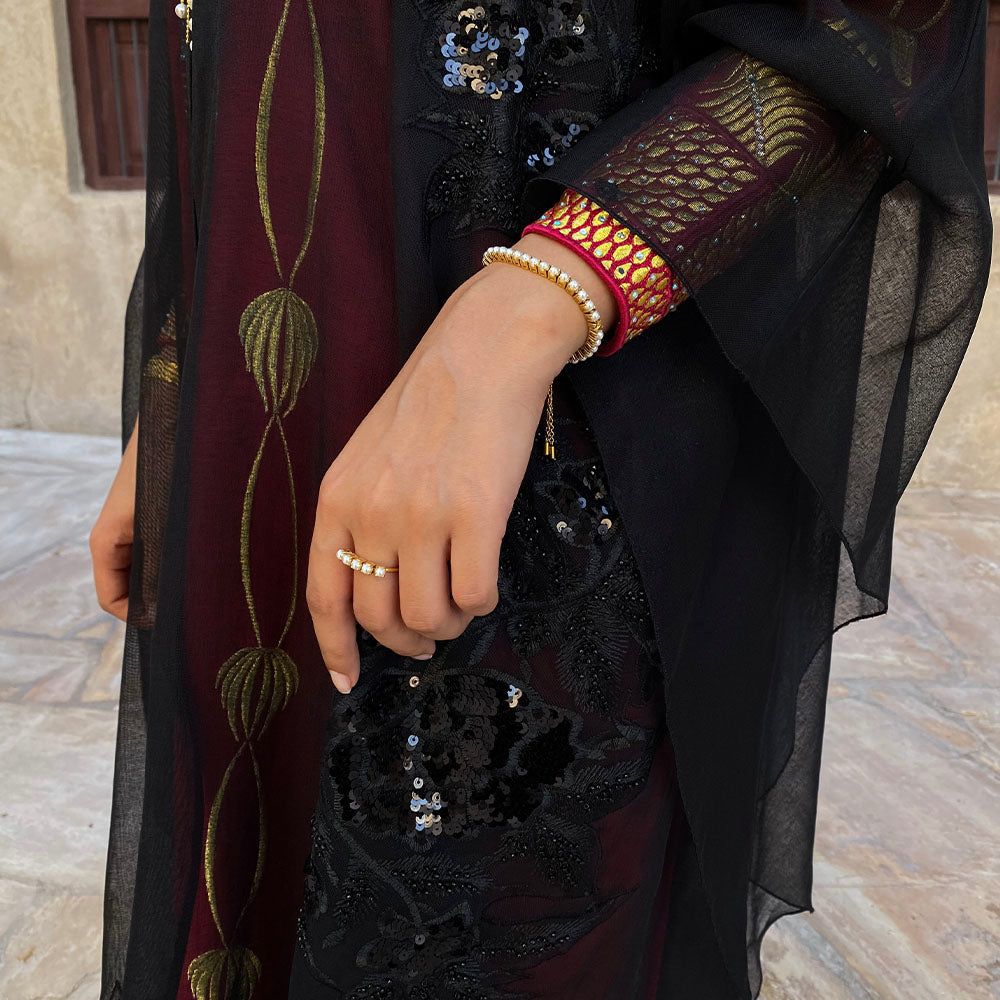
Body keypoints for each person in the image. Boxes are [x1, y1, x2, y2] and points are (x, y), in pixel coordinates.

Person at [89, 2, 990, 998]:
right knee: (247, 852)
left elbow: (871, 31)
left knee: (474, 907)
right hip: (261, 439)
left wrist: (531, 304)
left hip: (550, 442)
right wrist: (179, 385)